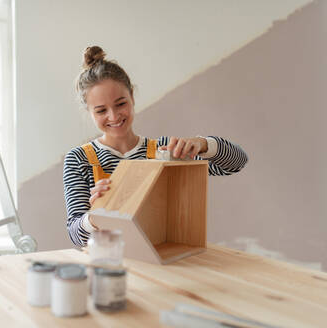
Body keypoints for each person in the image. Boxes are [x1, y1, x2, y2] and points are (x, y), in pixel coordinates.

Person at [63, 46, 248, 247]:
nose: (114, 116)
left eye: (120, 104)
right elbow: (76, 235)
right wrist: (95, 215)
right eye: (101, 110)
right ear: (89, 111)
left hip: (160, 259)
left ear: (132, 97)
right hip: (108, 265)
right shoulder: (78, 160)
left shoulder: (164, 153)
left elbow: (237, 162)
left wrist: (202, 144)